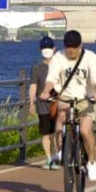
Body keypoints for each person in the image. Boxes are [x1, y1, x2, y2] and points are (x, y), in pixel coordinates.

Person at [40, 30, 96, 181]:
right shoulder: (58, 58)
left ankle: (91, 162)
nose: (71, 50)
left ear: (80, 45)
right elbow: (51, 77)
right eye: (68, 46)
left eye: (74, 46)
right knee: (58, 125)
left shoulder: (91, 58)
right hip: (66, 97)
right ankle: (62, 150)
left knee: (84, 130)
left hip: (87, 97)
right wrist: (45, 92)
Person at [28, 36, 60, 170]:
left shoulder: (60, 66)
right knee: (46, 133)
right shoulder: (37, 68)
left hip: (58, 102)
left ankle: (58, 156)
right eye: (44, 48)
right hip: (42, 104)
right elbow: (33, 86)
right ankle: (49, 159)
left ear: (54, 49)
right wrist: (31, 103)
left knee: (58, 131)